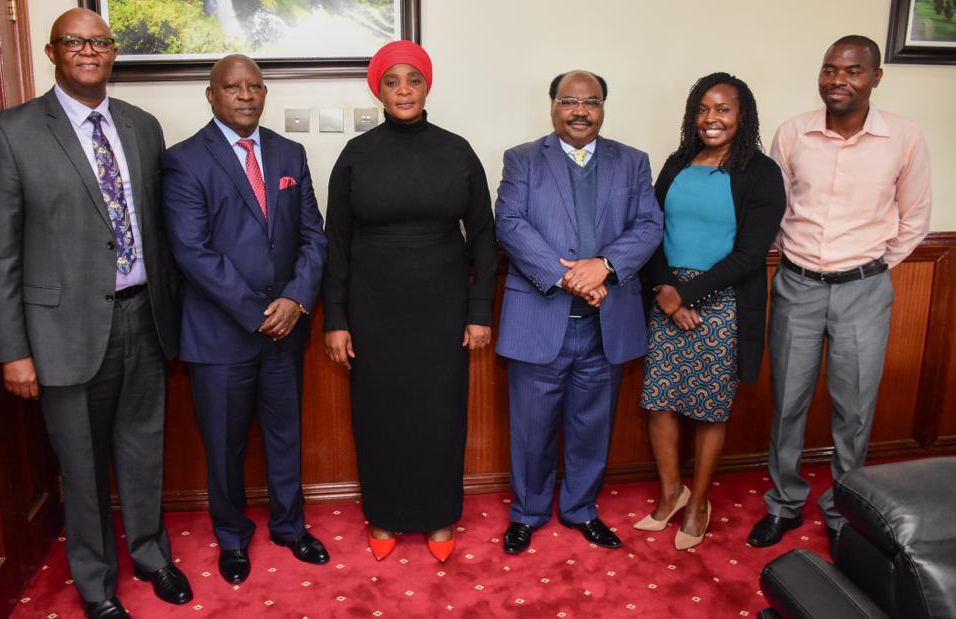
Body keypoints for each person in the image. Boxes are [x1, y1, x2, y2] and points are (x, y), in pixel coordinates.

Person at [0, 8, 190, 618]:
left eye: (98, 42)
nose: (88, 51)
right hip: (60, 333)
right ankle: (96, 585)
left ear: (113, 51)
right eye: (74, 42)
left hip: (144, 317)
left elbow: (158, 229)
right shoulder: (11, 132)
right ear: (52, 51)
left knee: (144, 450)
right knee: (84, 464)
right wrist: (13, 350)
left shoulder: (143, 126)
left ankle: (151, 556)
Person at [747, 35, 931, 554]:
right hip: (797, 286)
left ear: (876, 77)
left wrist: (872, 267)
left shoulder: (905, 137)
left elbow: (915, 218)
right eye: (830, 69)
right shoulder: (792, 134)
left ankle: (844, 508)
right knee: (787, 403)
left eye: (852, 70)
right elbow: (773, 210)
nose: (838, 80)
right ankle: (784, 504)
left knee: (854, 409)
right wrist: (797, 258)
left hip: (864, 291)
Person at [322, 40, 497, 563]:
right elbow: (335, 242)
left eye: (413, 80)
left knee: (440, 414)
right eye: (392, 81)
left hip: (442, 309)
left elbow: (484, 235)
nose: (404, 90)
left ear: (427, 86)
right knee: (379, 415)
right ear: (378, 88)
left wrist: (479, 309)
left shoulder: (457, 150)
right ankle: (385, 515)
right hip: (373, 312)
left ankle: (440, 516)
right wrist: (335, 318)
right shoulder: (356, 155)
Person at [162, 54, 329, 584]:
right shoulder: (185, 160)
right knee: (224, 444)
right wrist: (259, 311)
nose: (245, 96)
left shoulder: (289, 152)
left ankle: (289, 525)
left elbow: (313, 236)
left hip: (286, 328)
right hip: (220, 334)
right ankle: (232, 537)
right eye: (232, 87)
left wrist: (296, 300)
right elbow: (191, 250)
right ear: (211, 96)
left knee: (285, 436)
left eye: (254, 86)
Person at [495, 70, 663, 554]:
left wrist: (605, 267)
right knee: (532, 429)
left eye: (591, 102)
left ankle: (580, 510)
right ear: (553, 106)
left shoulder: (632, 162)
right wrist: (570, 275)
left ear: (603, 108)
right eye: (569, 101)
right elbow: (509, 222)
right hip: (540, 319)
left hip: (603, 325)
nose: (580, 111)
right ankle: (526, 513)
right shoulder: (523, 159)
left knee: (593, 426)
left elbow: (650, 224)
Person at [634, 73, 786, 550]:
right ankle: (671, 493)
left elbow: (749, 253)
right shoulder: (677, 163)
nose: (711, 118)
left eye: (723, 109)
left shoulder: (761, 173)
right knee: (658, 402)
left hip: (723, 302)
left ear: (743, 116)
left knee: (708, 409)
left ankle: (699, 503)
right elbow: (651, 228)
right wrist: (664, 288)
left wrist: (687, 295)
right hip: (667, 294)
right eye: (703, 108)